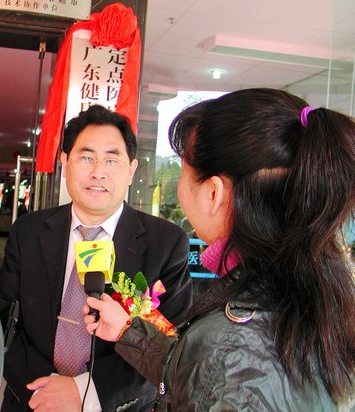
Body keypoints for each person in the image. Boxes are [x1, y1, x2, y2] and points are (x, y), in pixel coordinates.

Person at [84, 88, 355, 410]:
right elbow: (207, 378)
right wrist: (130, 333)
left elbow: (221, 370)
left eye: (184, 173)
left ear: (213, 194)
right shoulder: (313, 290)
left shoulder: (233, 341)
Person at [0, 105, 193, 411]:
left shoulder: (166, 243)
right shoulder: (28, 230)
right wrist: (42, 391)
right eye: (86, 158)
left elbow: (173, 348)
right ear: (65, 163)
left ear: (131, 170)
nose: (98, 172)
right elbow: (0, 321)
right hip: (31, 400)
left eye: (111, 160)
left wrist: (84, 392)